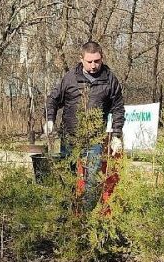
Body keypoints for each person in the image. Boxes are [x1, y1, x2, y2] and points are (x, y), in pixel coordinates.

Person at [45, 41, 125, 204]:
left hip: (95, 140)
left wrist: (116, 135)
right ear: (81, 59)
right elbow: (53, 99)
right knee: (69, 178)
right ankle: (68, 214)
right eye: (90, 61)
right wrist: (49, 119)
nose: (94, 65)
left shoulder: (110, 80)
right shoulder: (70, 78)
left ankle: (88, 217)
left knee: (91, 180)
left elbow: (118, 108)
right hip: (70, 138)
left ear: (102, 58)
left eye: (97, 61)